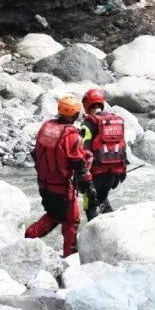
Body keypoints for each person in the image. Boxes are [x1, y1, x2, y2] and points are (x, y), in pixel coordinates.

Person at [25, 96, 97, 256]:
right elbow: (79, 165)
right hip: (61, 186)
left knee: (55, 215)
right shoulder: (70, 135)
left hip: (44, 184)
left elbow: (36, 153)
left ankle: (29, 237)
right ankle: (69, 255)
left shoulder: (46, 127)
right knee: (71, 219)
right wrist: (89, 189)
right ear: (75, 114)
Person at [79, 88, 128, 220]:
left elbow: (83, 149)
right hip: (115, 172)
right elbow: (123, 146)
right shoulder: (115, 120)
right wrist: (123, 170)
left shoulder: (89, 123)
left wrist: (80, 175)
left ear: (86, 104)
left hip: (95, 173)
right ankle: (111, 223)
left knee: (89, 204)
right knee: (102, 197)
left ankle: (94, 233)